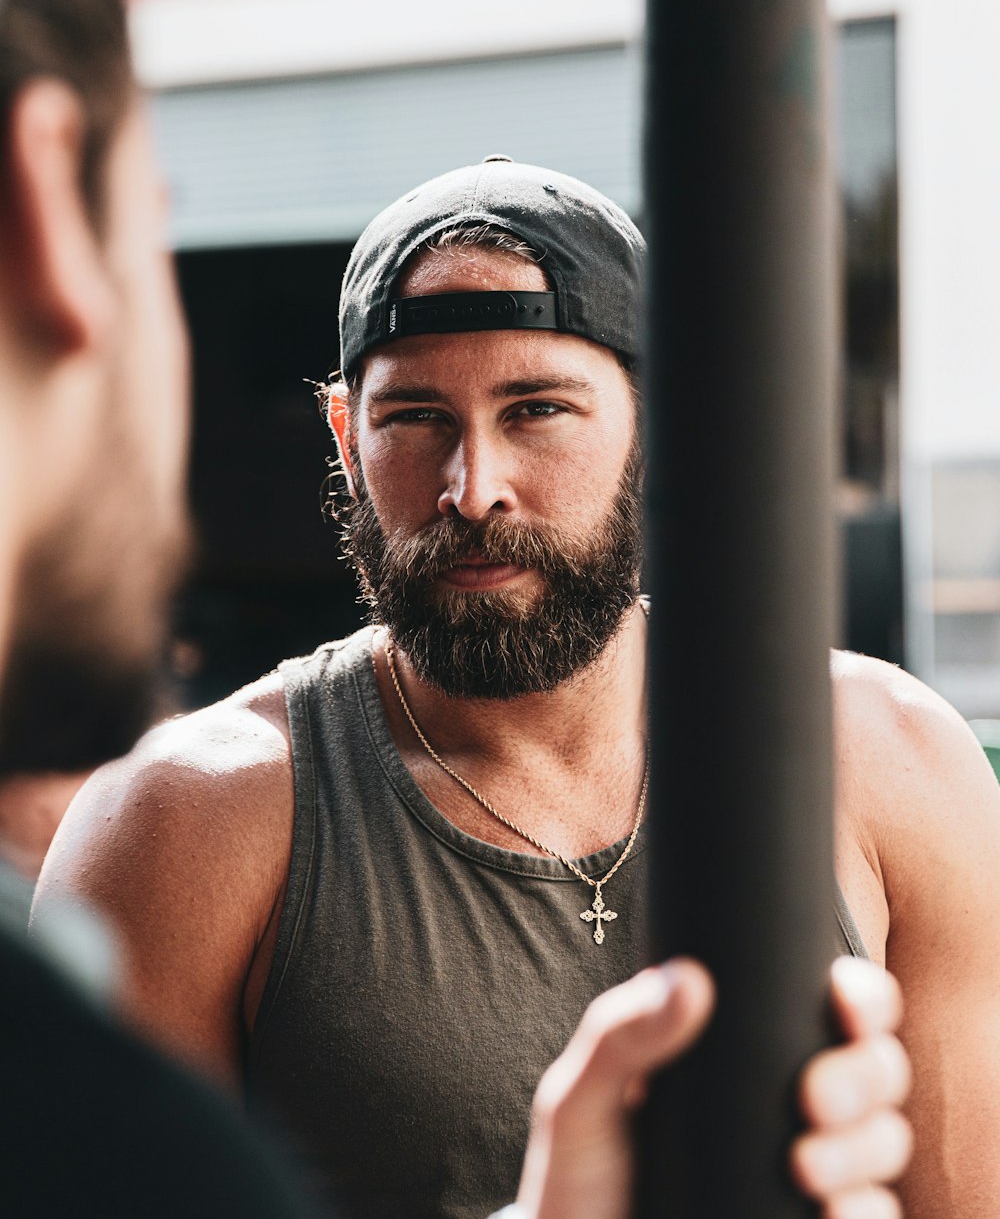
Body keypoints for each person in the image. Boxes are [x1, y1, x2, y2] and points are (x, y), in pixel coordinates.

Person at [39, 161, 916, 1219]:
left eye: (537, 409)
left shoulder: (889, 760)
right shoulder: (180, 822)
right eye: (413, 418)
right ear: (345, 443)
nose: (473, 487)